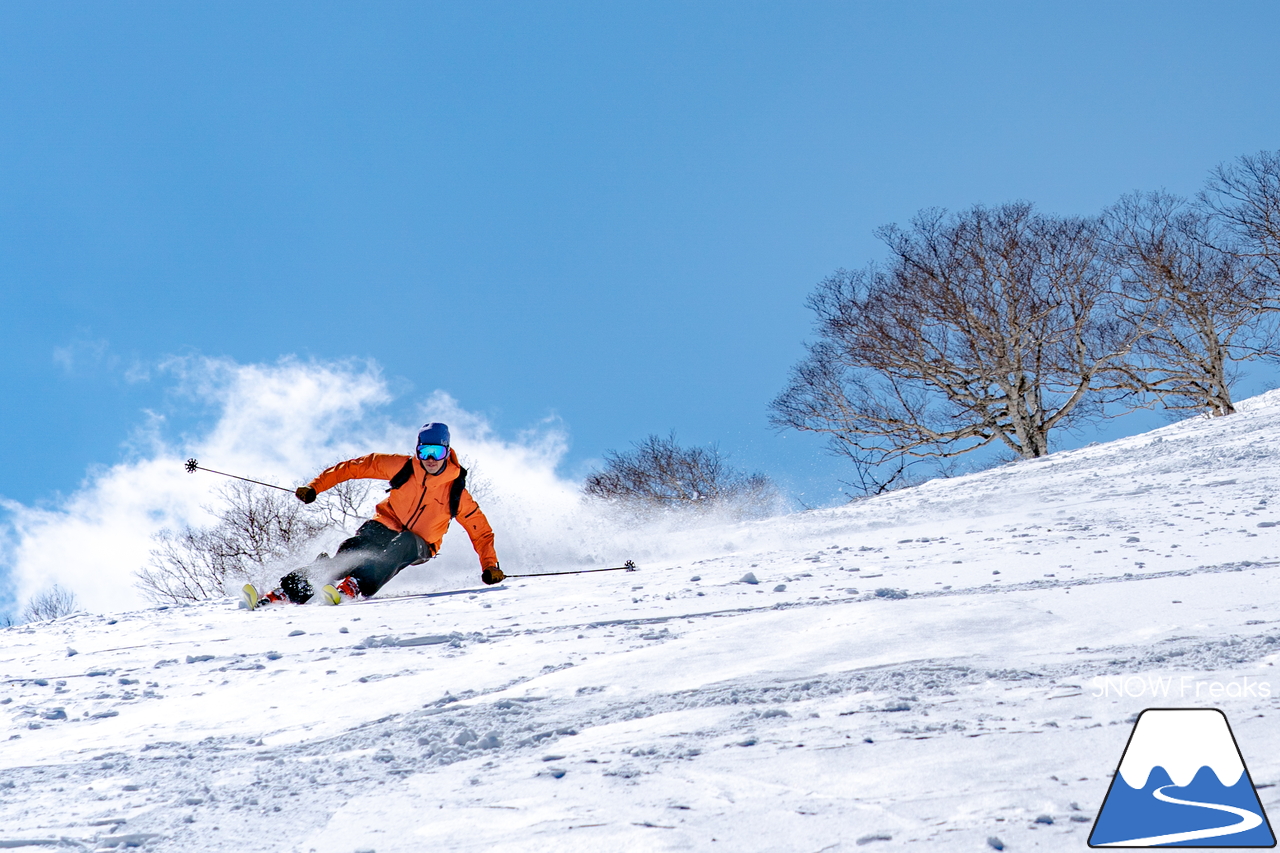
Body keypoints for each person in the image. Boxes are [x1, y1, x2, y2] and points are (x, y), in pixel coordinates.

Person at [252, 422, 504, 606]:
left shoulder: (456, 492)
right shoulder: (403, 467)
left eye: (436, 453)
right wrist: (315, 487)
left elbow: (480, 531)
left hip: (421, 544)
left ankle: (356, 584)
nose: (430, 459)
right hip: (386, 524)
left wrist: (490, 566)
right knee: (354, 550)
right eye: (424, 452)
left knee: (403, 544)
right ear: (417, 451)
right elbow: (354, 468)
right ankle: (291, 589)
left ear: (447, 453)